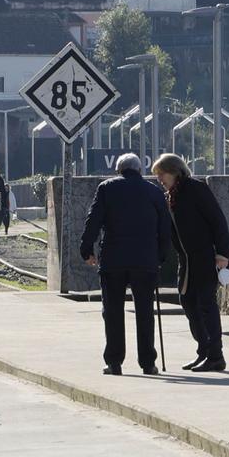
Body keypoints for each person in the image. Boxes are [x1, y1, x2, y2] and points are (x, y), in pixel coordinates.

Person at [80, 153, 168, 376]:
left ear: (119, 170)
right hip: (145, 260)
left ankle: (114, 362)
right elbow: (165, 228)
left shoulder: (107, 188)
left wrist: (87, 249)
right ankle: (148, 363)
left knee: (113, 311)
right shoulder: (155, 192)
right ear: (140, 170)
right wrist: (161, 257)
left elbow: (93, 220)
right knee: (145, 312)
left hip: (113, 260)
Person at [151, 153, 229, 373]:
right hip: (187, 261)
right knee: (187, 302)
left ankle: (216, 355)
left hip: (205, 257)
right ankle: (204, 350)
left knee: (206, 304)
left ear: (174, 171)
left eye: (161, 174)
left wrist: (223, 254)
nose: (159, 179)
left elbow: (218, 221)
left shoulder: (196, 189)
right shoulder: (172, 195)